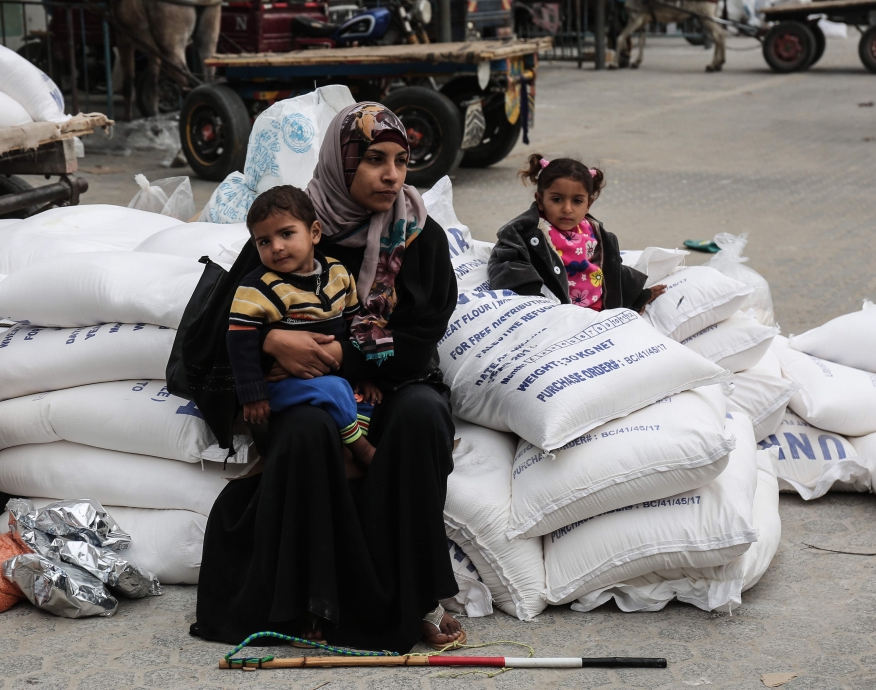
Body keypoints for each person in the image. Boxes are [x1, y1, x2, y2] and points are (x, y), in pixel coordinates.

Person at [189, 102, 465, 654]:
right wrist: (271, 340)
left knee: (422, 416)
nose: (392, 175)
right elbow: (227, 319)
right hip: (304, 394)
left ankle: (413, 603)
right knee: (308, 430)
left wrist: (340, 353)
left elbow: (418, 339)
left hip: (393, 382)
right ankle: (311, 603)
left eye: (401, 161)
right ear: (341, 165)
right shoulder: (290, 227)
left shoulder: (419, 237)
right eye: (374, 161)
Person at [228, 184, 380, 471]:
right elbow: (240, 341)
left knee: (366, 400)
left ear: (314, 232)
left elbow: (355, 326)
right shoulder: (257, 287)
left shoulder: (339, 274)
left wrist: (363, 374)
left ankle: (344, 447)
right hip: (283, 385)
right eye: (263, 241)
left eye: (286, 233)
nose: (276, 247)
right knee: (335, 391)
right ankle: (360, 449)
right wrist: (253, 393)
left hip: (331, 373)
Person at [487, 155, 665, 313]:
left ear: (589, 204)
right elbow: (506, 261)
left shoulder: (593, 230)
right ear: (540, 200)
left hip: (598, 308)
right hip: (560, 313)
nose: (567, 209)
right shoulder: (525, 231)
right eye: (557, 199)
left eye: (577, 201)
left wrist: (637, 295)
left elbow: (608, 271)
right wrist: (533, 297)